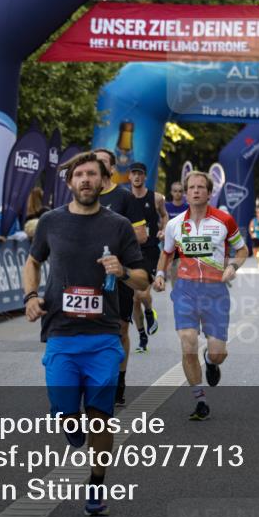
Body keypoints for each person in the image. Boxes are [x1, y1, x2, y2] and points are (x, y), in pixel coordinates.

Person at [23, 151, 148, 516]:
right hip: (61, 331)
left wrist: (123, 270)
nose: (86, 180)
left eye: (93, 174)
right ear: (70, 182)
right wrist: (31, 296)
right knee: (65, 411)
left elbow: (141, 279)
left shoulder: (119, 225)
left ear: (104, 178)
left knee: (100, 416)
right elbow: (33, 261)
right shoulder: (51, 222)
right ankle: (69, 422)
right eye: (80, 175)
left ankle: (96, 484)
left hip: (104, 336)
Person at [153, 170, 247, 421]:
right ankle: (200, 399)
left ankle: (211, 361)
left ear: (209, 192)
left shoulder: (224, 221)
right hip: (185, 289)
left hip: (215, 291)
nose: (195, 191)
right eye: (191, 187)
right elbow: (167, 253)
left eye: (200, 187)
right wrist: (161, 273)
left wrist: (233, 266)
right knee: (187, 342)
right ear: (186, 193)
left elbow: (242, 249)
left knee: (218, 353)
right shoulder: (174, 225)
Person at [93, 148, 148, 406]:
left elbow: (142, 235)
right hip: (88, 273)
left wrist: (111, 239)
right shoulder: (82, 195)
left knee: (120, 328)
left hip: (118, 273)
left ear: (112, 169)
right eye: (95, 162)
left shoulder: (124, 198)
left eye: (104, 162)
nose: (99, 166)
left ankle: (119, 379)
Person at [127, 162, 168, 353]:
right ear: (129, 177)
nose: (136, 177)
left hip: (150, 250)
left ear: (145, 177)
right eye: (133, 174)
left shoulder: (156, 198)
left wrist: (164, 230)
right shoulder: (124, 199)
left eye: (140, 174)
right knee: (135, 300)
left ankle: (150, 312)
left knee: (142, 294)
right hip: (130, 252)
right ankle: (142, 335)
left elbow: (165, 215)